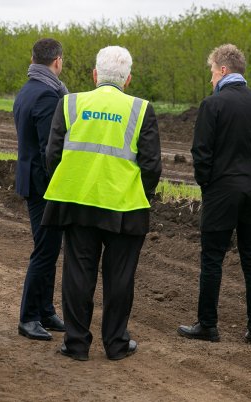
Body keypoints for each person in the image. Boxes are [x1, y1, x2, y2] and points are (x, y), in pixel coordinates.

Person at [43, 45, 162, 361]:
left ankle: (77, 344)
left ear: (95, 75)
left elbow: (52, 155)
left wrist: (70, 182)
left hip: (77, 202)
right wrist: (139, 194)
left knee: (78, 275)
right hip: (124, 207)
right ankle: (116, 344)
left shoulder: (70, 103)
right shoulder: (140, 108)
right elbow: (152, 166)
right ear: (128, 80)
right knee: (120, 277)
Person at [178, 44, 251, 348]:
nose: (210, 79)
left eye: (211, 72)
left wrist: (208, 185)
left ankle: (207, 325)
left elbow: (201, 153)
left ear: (222, 70)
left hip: (221, 191)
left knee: (212, 260)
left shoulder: (213, 104)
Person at [13, 38, 67, 341]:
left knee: (48, 248)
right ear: (57, 61)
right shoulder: (48, 95)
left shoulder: (27, 90)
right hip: (43, 185)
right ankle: (29, 317)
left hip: (30, 179)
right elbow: (51, 150)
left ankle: (45, 311)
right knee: (45, 251)